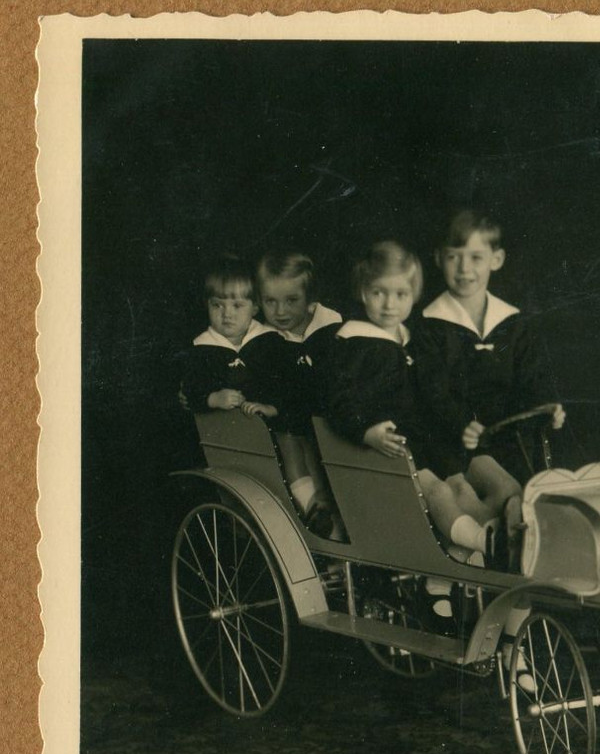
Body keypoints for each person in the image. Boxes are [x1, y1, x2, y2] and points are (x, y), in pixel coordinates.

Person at [329, 240, 500, 596]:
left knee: (461, 486)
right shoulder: (352, 342)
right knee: (437, 490)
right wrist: (366, 430)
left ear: (413, 295)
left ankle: (476, 550)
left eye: (401, 294)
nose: (390, 305)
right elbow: (337, 399)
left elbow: (436, 393)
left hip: (425, 437)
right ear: (363, 292)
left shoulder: (412, 340)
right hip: (388, 445)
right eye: (379, 293)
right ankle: (475, 546)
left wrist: (462, 421)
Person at [417, 208, 566, 569]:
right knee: (476, 493)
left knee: (530, 494)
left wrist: (549, 405)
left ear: (496, 260)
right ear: (439, 259)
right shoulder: (430, 325)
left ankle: (514, 560)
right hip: (454, 441)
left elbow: (533, 377)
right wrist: (461, 423)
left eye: (476, 258)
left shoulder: (513, 324)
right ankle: (474, 551)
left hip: (507, 439)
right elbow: (432, 388)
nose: (464, 269)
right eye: (454, 257)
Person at [179, 254, 335, 536]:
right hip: (240, 434)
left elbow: (285, 381)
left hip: (278, 419)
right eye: (217, 305)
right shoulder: (202, 348)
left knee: (301, 442)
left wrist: (273, 406)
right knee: (287, 444)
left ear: (253, 308)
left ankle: (315, 506)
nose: (227, 314)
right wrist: (212, 398)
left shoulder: (268, 340)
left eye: (237, 305)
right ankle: (311, 504)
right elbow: (190, 388)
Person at [256, 250, 343, 537]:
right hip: (288, 415)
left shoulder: (333, 328)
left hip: (328, 418)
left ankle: (329, 508)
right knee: (290, 442)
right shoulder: (263, 338)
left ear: (310, 302)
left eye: (291, 300)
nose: (280, 312)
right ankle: (314, 510)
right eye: (270, 301)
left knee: (323, 450)